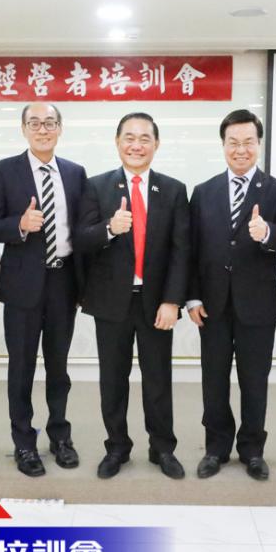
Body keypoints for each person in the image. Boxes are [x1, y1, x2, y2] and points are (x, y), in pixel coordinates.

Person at [75, 112, 190, 480]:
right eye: (129, 137)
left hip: (156, 303)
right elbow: (81, 239)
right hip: (112, 302)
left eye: (144, 138)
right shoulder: (96, 187)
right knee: (113, 379)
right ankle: (117, 447)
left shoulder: (173, 190)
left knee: (158, 379)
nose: (136, 145)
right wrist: (109, 228)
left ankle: (162, 448)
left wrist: (172, 300)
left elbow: (181, 250)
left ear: (156, 144)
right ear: (117, 142)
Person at [187, 109, 276, 481]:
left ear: (259, 144)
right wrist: (192, 297)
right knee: (214, 380)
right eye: (233, 142)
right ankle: (216, 448)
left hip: (257, 305)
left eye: (248, 142)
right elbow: (192, 249)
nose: (240, 149)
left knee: (254, 381)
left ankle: (252, 450)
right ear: (223, 145)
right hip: (212, 305)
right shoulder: (204, 192)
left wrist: (267, 233)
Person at [0, 103, 87, 477]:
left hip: (63, 282)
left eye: (50, 123)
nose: (43, 129)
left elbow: (81, 229)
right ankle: (24, 442)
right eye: (35, 123)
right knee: (21, 367)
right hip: (23, 284)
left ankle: (60, 436)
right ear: (24, 128)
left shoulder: (75, 173)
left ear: (60, 128)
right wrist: (20, 225)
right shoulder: (3, 171)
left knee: (59, 368)